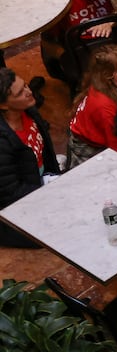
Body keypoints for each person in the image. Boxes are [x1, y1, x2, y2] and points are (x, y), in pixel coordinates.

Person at [0, 67, 57, 247]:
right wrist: (49, 190)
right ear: (3, 105)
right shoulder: (2, 142)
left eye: (25, 85)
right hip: (21, 205)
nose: (29, 92)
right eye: (20, 93)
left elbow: (47, 154)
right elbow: (11, 193)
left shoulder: (29, 110)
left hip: (42, 183)